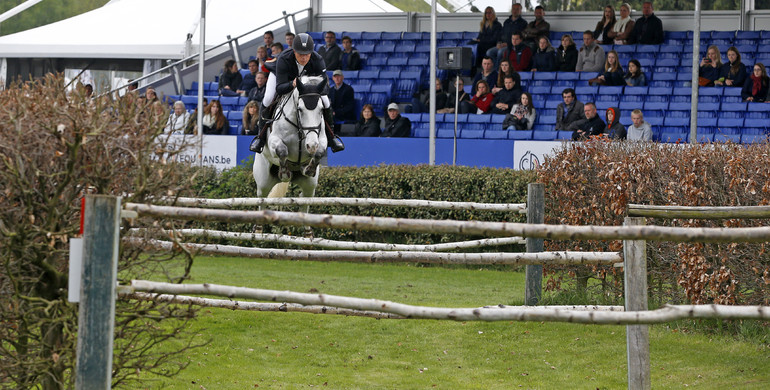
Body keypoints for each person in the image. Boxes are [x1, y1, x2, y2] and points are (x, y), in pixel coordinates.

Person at [249, 33, 344, 153]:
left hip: (307, 83)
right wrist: (292, 84)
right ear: (294, 51)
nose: (304, 58)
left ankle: (332, 138)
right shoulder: (284, 58)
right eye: (300, 54)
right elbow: (280, 88)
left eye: (307, 55)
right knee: (268, 99)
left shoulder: (318, 59)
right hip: (281, 77)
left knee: (325, 101)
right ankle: (260, 138)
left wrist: (311, 87)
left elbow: (325, 88)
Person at [488, 3, 527, 68]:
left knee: (500, 52)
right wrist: (498, 43)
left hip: (512, 46)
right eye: (514, 9)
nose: (515, 11)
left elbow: (520, 38)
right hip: (502, 44)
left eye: (517, 9)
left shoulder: (523, 23)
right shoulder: (506, 22)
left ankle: (498, 72)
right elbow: (501, 34)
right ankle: (495, 69)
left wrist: (507, 44)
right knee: (489, 52)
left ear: (520, 11)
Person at [469, 6, 502, 73]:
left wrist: (481, 40)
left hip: (491, 44)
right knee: (470, 44)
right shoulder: (483, 24)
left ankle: (477, 67)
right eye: (486, 13)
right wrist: (477, 39)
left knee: (479, 47)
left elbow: (494, 39)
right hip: (483, 43)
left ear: (493, 14)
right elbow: (480, 36)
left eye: (490, 13)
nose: (488, 14)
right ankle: (473, 67)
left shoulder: (497, 25)